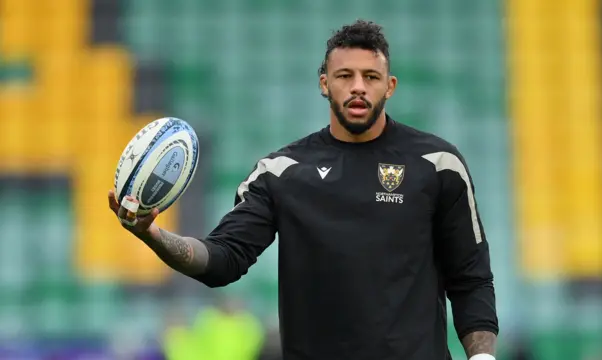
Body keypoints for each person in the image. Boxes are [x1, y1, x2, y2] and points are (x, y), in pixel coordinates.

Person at [107, 19, 499, 360]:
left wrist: (481, 356)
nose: (358, 87)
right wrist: (152, 233)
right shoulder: (282, 172)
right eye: (345, 76)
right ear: (324, 84)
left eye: (371, 76)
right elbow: (223, 260)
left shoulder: (437, 164)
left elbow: (471, 276)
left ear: (390, 86)